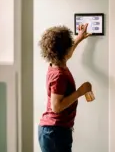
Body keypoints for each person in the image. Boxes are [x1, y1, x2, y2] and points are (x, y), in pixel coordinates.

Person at [38, 24, 93, 152]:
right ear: (64, 51)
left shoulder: (56, 63)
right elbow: (56, 107)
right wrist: (80, 91)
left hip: (53, 131)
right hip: (55, 132)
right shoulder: (59, 75)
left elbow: (68, 53)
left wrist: (79, 38)